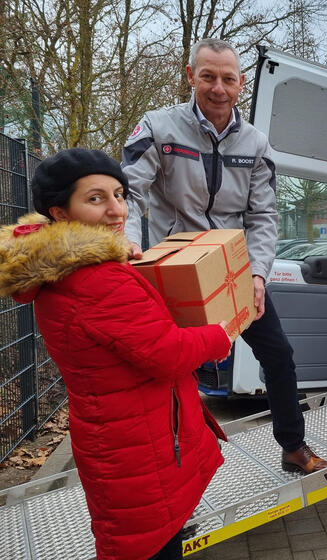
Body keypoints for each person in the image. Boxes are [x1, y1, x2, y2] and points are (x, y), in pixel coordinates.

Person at [0, 148, 232, 560]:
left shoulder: (68, 270)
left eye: (119, 195)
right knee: (147, 546)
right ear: (60, 213)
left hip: (125, 437)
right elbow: (169, 354)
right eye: (95, 198)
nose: (116, 210)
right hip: (139, 449)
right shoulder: (96, 280)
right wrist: (220, 333)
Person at [121, 38, 327, 477]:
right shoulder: (159, 127)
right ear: (190, 75)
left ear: (241, 83)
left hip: (232, 271)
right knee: (174, 372)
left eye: (228, 79)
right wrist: (126, 244)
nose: (219, 88)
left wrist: (257, 276)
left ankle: (292, 447)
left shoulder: (256, 143)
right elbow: (128, 191)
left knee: (278, 355)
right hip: (173, 269)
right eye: (208, 76)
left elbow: (263, 215)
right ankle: (170, 467)